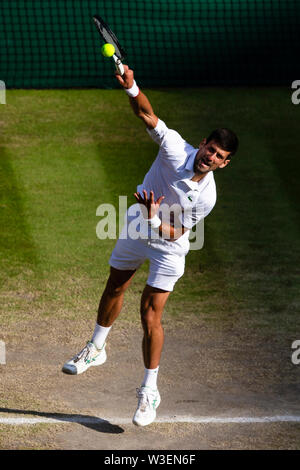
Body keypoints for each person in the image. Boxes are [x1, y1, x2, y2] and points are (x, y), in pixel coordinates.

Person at [62, 65, 239, 427]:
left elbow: (177, 233)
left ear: (224, 163)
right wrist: (132, 88)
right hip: (137, 226)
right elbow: (147, 114)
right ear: (203, 143)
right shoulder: (174, 147)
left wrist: (155, 217)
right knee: (116, 283)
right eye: (211, 148)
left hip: (168, 247)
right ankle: (96, 348)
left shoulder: (208, 198)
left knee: (150, 314)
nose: (211, 157)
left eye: (220, 156)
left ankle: (149, 391)